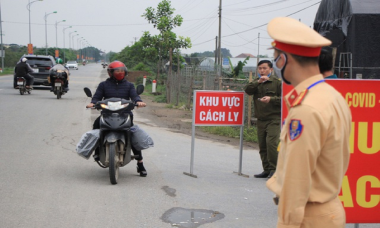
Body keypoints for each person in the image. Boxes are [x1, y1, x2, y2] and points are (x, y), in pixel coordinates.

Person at [265, 17, 351, 228]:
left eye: (275, 58)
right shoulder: (332, 96)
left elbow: (296, 180)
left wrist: (286, 224)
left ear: (284, 60)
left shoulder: (306, 108)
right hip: (328, 211)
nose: (275, 64)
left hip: (308, 218)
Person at [85, 61, 148, 177]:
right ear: (110, 72)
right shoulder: (103, 85)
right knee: (96, 125)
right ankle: (97, 151)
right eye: (117, 71)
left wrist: (138, 101)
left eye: (121, 71)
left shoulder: (129, 85)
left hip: (125, 114)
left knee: (132, 133)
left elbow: (135, 96)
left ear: (125, 72)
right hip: (107, 114)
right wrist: (92, 103)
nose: (120, 73)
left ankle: (140, 163)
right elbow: (97, 97)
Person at [244, 60, 282, 179]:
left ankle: (274, 170)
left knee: (271, 144)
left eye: (264, 68)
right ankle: (266, 169)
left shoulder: (277, 83)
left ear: (271, 69)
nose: (262, 70)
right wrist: (257, 82)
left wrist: (271, 99)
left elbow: (285, 98)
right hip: (261, 119)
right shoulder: (257, 82)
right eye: (260, 68)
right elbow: (247, 90)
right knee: (262, 145)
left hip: (274, 118)